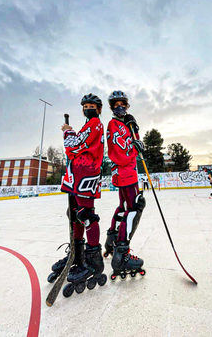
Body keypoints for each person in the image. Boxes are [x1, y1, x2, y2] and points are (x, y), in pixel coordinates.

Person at [48, 93, 107, 296]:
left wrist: (67, 132)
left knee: (86, 215)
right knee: (74, 214)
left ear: (99, 109)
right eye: (86, 106)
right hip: (76, 174)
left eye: (92, 106)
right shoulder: (87, 126)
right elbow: (73, 149)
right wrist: (72, 134)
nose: (88, 108)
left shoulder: (95, 125)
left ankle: (93, 261)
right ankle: (77, 254)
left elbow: (73, 146)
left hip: (86, 173)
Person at [104, 90, 146, 280]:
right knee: (135, 208)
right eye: (116, 105)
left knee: (124, 207)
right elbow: (118, 152)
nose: (120, 107)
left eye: (124, 104)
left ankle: (111, 239)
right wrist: (133, 151)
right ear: (112, 107)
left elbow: (134, 143)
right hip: (124, 171)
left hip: (129, 171)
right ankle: (122, 253)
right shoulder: (113, 124)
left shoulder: (127, 123)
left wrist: (137, 140)